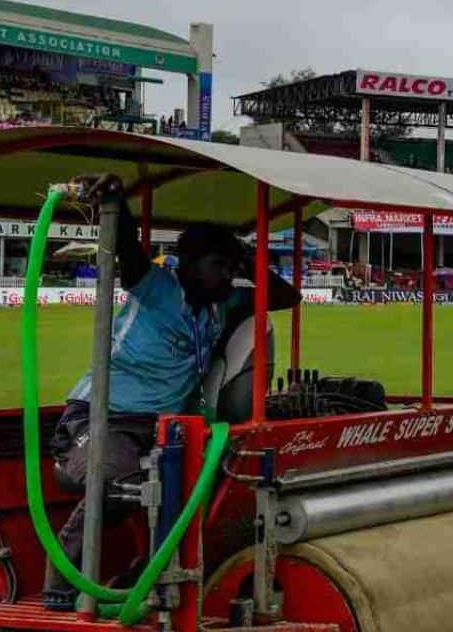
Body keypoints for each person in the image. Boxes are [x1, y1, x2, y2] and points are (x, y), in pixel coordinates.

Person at [42, 175, 298, 610]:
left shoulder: (223, 300)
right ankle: (60, 592)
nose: (226, 275)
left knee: (211, 491)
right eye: (218, 265)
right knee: (111, 484)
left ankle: (144, 579)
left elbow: (285, 296)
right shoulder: (157, 285)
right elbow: (126, 249)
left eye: (229, 268)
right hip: (103, 415)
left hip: (166, 428)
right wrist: (116, 201)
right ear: (188, 262)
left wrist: (245, 258)